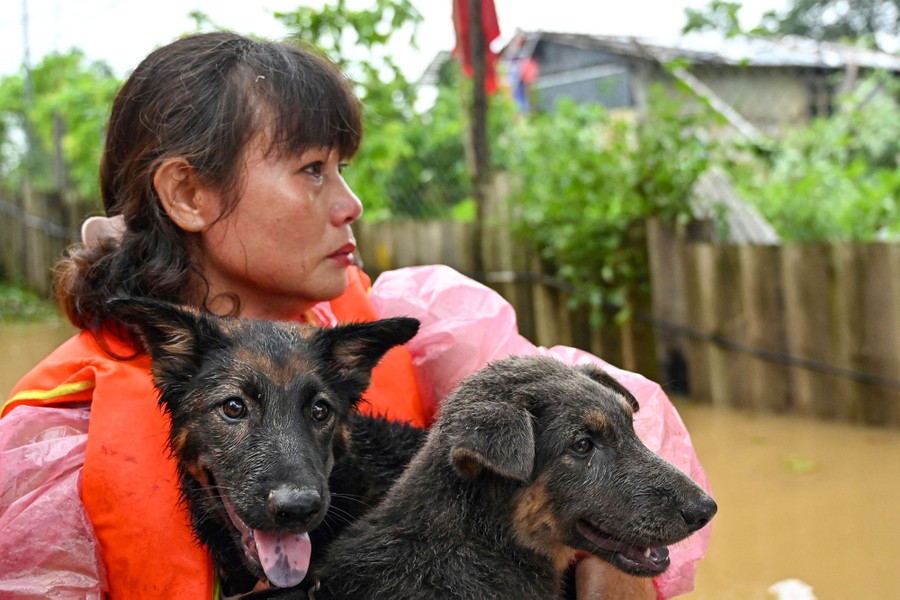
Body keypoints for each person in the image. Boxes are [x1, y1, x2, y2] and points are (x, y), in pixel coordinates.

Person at [0, 32, 710, 599]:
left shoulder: (418, 325)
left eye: (343, 169)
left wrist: (603, 552)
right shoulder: (56, 442)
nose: (350, 203)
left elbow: (608, 438)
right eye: (313, 170)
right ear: (188, 192)